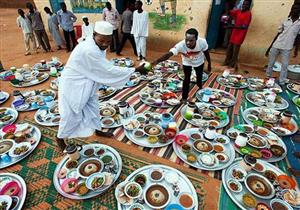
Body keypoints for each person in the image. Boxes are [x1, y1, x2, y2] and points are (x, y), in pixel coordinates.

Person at [56, 21, 147, 150]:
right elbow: (107, 71)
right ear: (94, 35)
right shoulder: (89, 49)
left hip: (88, 82)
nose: (105, 44)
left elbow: (101, 66)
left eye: (108, 42)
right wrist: (135, 70)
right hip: (74, 85)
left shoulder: (96, 45)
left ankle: (97, 130)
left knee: (93, 107)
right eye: (102, 41)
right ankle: (60, 138)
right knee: (71, 114)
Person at [152, 28, 211, 102]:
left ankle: (200, 86)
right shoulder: (181, 45)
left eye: (191, 40)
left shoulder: (202, 42)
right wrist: (157, 61)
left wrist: (209, 64)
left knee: (199, 76)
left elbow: (206, 53)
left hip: (199, 62)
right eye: (187, 40)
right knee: (186, 79)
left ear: (196, 39)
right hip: (187, 62)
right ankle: (184, 97)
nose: (188, 43)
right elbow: (169, 54)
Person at [266, 7, 300, 85]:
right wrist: (269, 47)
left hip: (287, 47)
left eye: (297, 10)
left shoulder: (299, 23)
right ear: (291, 11)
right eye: (293, 10)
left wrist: (296, 50)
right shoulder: (285, 21)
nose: (295, 11)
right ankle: (268, 77)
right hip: (277, 44)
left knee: (285, 65)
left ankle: (282, 81)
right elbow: (278, 34)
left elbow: (298, 37)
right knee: (271, 63)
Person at [223, 0, 252, 70]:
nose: (244, 6)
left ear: (249, 6)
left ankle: (232, 64)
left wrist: (232, 27)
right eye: (243, 4)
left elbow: (244, 26)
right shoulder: (239, 11)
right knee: (229, 49)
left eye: (246, 5)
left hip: (240, 35)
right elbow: (230, 12)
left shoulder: (248, 14)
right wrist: (227, 9)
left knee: (235, 51)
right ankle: (226, 61)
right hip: (234, 34)